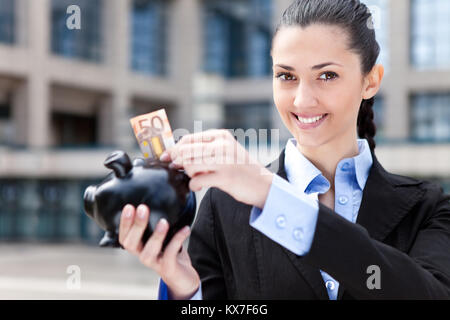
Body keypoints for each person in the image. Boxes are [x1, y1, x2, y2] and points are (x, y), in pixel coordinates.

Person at [118, 0, 450, 299]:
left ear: (371, 81)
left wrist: (269, 193)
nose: (303, 100)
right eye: (286, 76)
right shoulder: (223, 206)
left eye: (327, 75)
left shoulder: (429, 207)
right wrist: (187, 290)